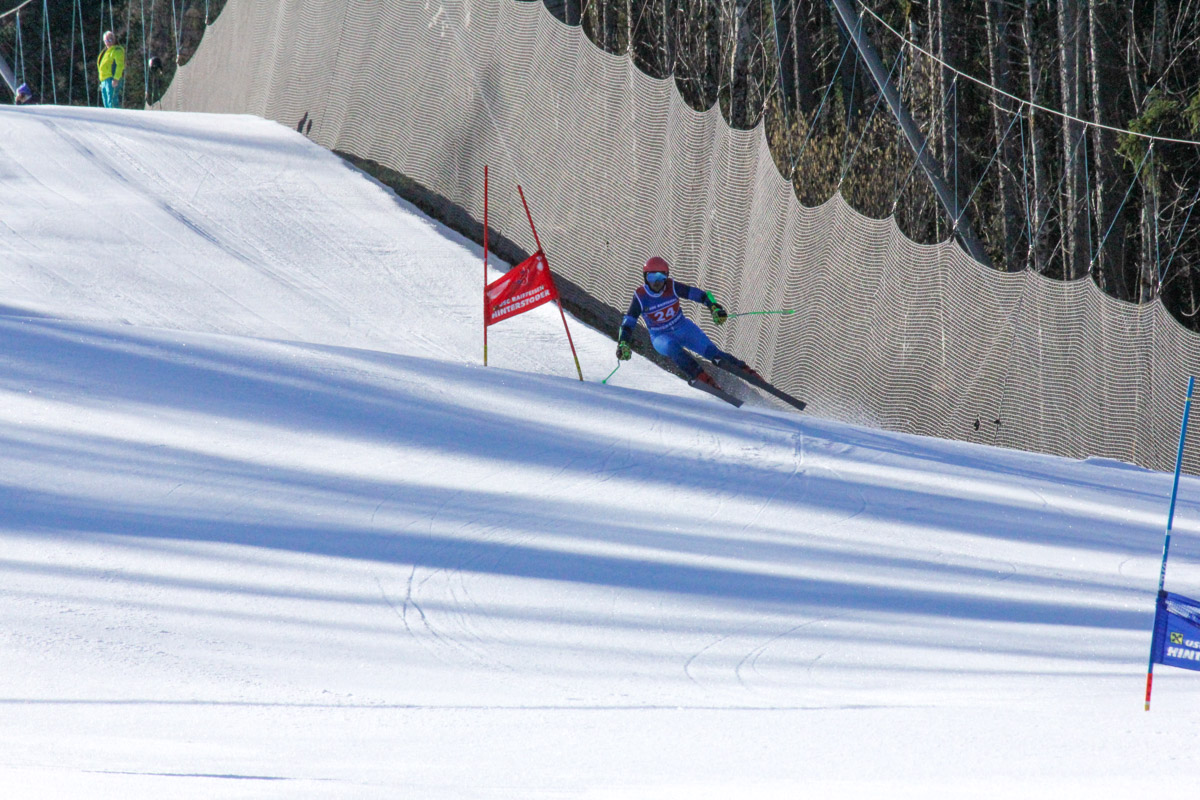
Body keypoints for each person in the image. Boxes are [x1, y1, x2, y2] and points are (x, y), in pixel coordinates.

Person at [615, 256, 758, 388]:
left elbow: (702, 295)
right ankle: (701, 377)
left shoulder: (672, 286)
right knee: (672, 348)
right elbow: (628, 323)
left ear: (666, 276)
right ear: (645, 278)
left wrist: (714, 307)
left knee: (713, 354)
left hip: (683, 328)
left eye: (661, 277)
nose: (657, 282)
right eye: (652, 277)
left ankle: (746, 371)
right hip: (660, 336)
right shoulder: (641, 296)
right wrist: (623, 343)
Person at [97, 30, 125, 109]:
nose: (108, 42)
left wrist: (116, 78)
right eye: (106, 40)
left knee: (112, 101)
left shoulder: (117, 50)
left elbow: (120, 65)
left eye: (110, 40)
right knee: (106, 102)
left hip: (112, 78)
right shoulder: (105, 51)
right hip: (104, 80)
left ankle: (116, 115)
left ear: (114, 40)